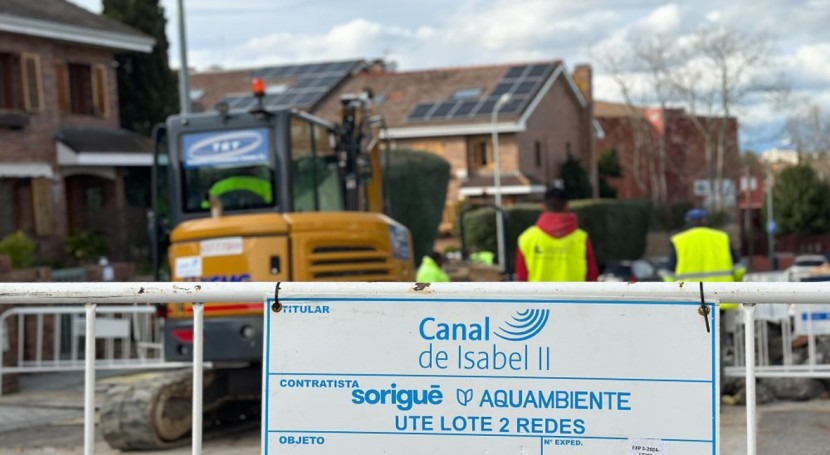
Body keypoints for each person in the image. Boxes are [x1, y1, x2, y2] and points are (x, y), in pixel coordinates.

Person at [664, 208, 746, 397]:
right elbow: (739, 269)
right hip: (720, 304)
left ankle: (692, 395)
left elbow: (668, 277)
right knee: (717, 351)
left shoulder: (679, 241)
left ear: (688, 223)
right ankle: (716, 396)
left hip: (688, 305)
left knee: (690, 350)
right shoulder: (721, 238)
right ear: (706, 221)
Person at [515, 186, 598, 282]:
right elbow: (592, 275)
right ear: (567, 206)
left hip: (539, 295)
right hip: (574, 296)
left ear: (543, 206)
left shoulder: (527, 238)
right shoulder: (581, 238)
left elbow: (521, 278)